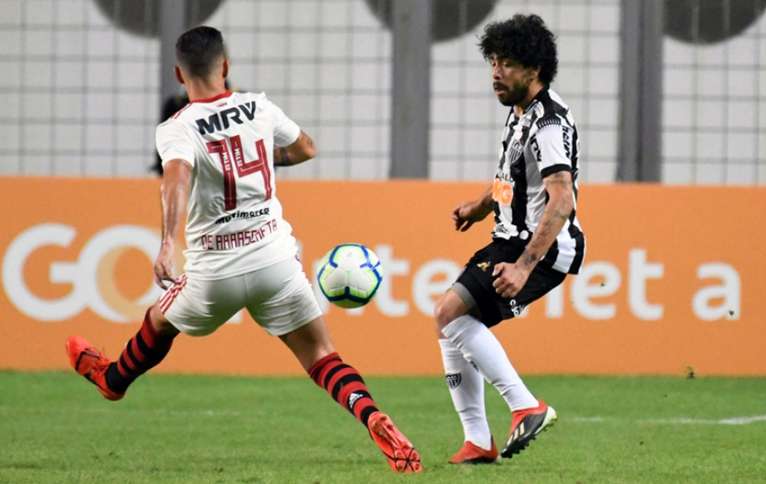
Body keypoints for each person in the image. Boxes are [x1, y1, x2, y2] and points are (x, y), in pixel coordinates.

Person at [65, 26, 422, 474]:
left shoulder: (177, 128)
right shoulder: (258, 105)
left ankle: (113, 380)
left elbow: (175, 177)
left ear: (179, 74)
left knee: (159, 321)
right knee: (321, 355)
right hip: (275, 260)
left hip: (215, 273)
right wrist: (252, 158)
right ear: (226, 67)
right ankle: (371, 415)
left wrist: (167, 243)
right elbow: (306, 148)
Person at [434, 14, 585, 464]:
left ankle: (527, 406)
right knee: (447, 321)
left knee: (449, 314)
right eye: (493, 61)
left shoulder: (548, 126)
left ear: (534, 69)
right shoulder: (521, 115)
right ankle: (478, 441)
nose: (496, 72)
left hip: (538, 248)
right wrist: (480, 207)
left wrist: (524, 266)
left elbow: (562, 200)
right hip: (509, 238)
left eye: (508, 64)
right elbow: (511, 182)